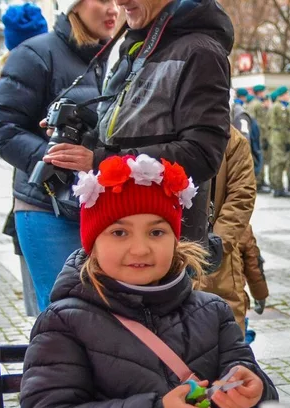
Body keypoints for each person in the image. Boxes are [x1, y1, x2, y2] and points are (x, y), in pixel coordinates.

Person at [20, 155, 278, 408]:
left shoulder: (213, 312)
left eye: (157, 232)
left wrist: (251, 396)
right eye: (119, 232)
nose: (140, 249)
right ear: (92, 243)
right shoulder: (64, 322)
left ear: (175, 239)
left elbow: (256, 405)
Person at [44, 0, 235, 251]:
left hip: (163, 245)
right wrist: (83, 137)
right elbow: (129, 133)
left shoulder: (200, 51)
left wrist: (100, 160)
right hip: (119, 230)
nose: (120, 2)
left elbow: (201, 155)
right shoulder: (138, 45)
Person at [0, 0, 117, 311]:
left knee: (108, 319)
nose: (114, 8)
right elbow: (0, 124)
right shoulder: (36, 53)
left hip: (105, 207)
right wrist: (53, 158)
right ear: (74, 6)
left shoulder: (119, 58)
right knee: (65, 315)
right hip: (48, 209)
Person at [0, 1, 49, 318]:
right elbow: (3, 131)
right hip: (40, 197)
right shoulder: (26, 69)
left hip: (33, 196)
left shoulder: (14, 67)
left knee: (44, 303)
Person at [199, 126, 256, 332]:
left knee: (224, 341)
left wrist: (217, 245)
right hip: (166, 255)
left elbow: (241, 196)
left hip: (216, 263)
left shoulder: (232, 140)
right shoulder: (161, 126)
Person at [268, 87, 290, 198]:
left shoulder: (280, 106)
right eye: (287, 94)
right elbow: (282, 126)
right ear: (282, 95)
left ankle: (277, 186)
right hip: (279, 137)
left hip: (278, 137)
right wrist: (286, 140)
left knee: (278, 162)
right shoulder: (279, 107)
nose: (288, 96)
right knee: (279, 162)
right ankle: (278, 188)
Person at [248, 85, 271, 193]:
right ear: (260, 92)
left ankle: (260, 180)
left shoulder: (253, 104)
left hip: (256, 135)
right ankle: (258, 182)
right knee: (258, 157)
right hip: (259, 135)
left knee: (258, 157)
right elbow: (258, 122)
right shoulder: (257, 105)